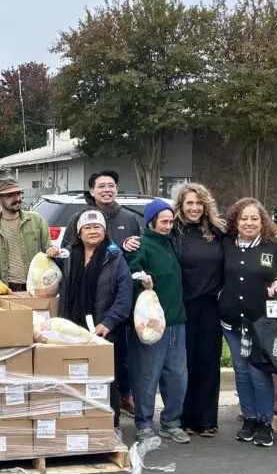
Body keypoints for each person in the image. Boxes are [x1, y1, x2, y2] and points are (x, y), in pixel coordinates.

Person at [218, 197, 277, 448]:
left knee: (259, 372)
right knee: (242, 371)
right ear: (235, 221)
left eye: (254, 218)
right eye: (243, 218)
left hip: (263, 323)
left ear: (262, 221)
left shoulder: (276, 245)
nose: (249, 223)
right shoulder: (226, 244)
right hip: (232, 321)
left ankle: (265, 423)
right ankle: (249, 417)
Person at [52, 211, 133, 430]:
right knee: (74, 379)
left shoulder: (114, 257)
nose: (92, 231)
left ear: (105, 231)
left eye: (97, 227)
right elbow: (49, 279)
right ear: (78, 233)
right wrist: (50, 256)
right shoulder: (67, 256)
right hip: (72, 330)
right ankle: (76, 425)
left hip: (104, 331)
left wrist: (108, 322)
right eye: (87, 228)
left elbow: (124, 296)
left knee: (106, 381)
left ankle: (109, 426)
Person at [123, 199, 189, 444]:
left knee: (177, 376)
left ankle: (172, 422)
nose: (168, 226)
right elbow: (131, 273)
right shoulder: (140, 245)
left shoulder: (172, 244)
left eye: (171, 221)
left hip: (176, 322)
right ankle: (144, 423)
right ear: (151, 222)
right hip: (150, 325)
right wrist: (142, 282)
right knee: (147, 375)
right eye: (164, 222)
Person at [171, 183, 226, 438]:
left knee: (207, 361)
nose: (194, 208)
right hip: (182, 306)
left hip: (211, 307)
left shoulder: (217, 232)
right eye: (189, 203)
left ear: (206, 206)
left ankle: (206, 419)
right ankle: (183, 418)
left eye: (199, 203)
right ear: (181, 205)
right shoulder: (173, 231)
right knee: (184, 364)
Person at [0, 176, 51, 294]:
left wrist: (52, 250)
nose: (17, 198)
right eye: (10, 195)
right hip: (6, 290)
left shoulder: (36, 220)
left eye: (18, 194)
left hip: (35, 287)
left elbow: (47, 249)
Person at [60, 170, 142, 250]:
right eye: (101, 186)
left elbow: (141, 246)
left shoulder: (129, 218)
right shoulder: (79, 218)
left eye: (111, 186)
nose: (107, 190)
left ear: (116, 189)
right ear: (92, 191)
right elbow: (67, 249)